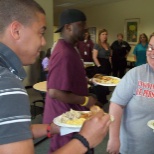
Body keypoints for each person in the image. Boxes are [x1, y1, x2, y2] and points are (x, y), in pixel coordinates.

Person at [0, 1, 111, 154]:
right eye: (41, 32)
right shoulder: (7, 86)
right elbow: (54, 91)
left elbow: (7, 133)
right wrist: (85, 140)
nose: (44, 42)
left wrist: (50, 128)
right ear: (16, 30)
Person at [43, 9, 99, 153]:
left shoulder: (71, 48)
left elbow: (68, 76)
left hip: (72, 115)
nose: (85, 29)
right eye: (82, 25)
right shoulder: (64, 53)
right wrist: (86, 101)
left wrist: (84, 79)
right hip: (65, 118)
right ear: (68, 27)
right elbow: (54, 92)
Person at [107, 33, 154, 154]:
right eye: (150, 47)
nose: (152, 52)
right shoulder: (135, 74)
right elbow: (116, 104)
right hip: (133, 147)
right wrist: (114, 138)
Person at [92, 29, 111, 105]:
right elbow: (94, 57)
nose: (104, 36)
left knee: (106, 82)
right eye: (103, 34)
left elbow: (109, 56)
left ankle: (104, 98)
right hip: (100, 64)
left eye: (106, 34)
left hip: (107, 65)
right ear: (99, 36)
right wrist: (99, 66)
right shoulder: (97, 45)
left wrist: (110, 64)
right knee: (100, 84)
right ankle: (100, 100)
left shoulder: (107, 45)